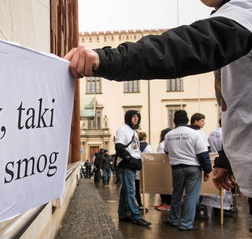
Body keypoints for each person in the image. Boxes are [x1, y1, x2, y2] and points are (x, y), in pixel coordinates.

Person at [64, 0, 252, 200]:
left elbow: (178, 49)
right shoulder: (236, 16)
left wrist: (105, 59)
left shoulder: (244, 14)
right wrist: (226, 160)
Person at [164, 110, 212, 231]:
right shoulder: (195, 133)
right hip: (193, 167)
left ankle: (173, 219)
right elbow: (203, 154)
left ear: (175, 121)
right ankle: (186, 224)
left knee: (176, 194)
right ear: (186, 120)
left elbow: (166, 151)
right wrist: (207, 170)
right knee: (191, 196)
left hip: (176, 168)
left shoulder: (169, 135)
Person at [115, 110, 151, 227]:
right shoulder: (123, 129)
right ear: (128, 118)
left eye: (137, 117)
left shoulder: (134, 132)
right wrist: (129, 160)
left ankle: (123, 213)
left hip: (133, 163)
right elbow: (119, 147)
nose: (135, 119)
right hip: (127, 164)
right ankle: (136, 216)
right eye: (133, 117)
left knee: (126, 190)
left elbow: (135, 149)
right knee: (131, 190)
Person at [190, 113, 210, 220]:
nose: (204, 122)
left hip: (182, 165)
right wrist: (207, 169)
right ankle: (196, 213)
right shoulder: (201, 133)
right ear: (196, 121)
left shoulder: (187, 131)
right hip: (196, 165)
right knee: (196, 192)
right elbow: (205, 150)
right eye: (202, 120)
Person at [155, 128, 173, 211]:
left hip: (163, 167)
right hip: (168, 166)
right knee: (166, 185)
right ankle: (165, 203)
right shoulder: (167, 143)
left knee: (164, 185)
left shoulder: (163, 144)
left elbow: (160, 156)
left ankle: (167, 203)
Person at [135, 132, 153, 212]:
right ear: (145, 137)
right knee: (142, 188)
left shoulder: (135, 146)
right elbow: (150, 158)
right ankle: (141, 205)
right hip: (144, 170)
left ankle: (139, 204)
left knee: (136, 188)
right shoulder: (148, 147)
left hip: (135, 170)